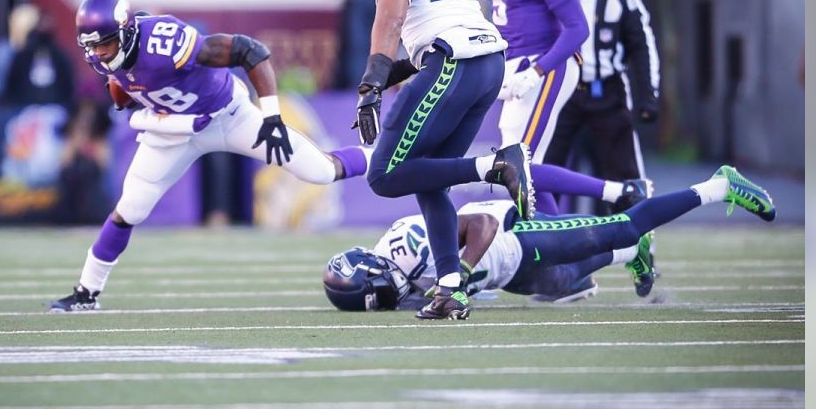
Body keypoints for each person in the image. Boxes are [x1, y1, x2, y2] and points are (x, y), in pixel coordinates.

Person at [47, 0, 373, 311]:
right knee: (130, 207)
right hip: (173, 130)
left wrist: (272, 115)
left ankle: (382, 156)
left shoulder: (165, 42)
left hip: (229, 116)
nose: (99, 54)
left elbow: (251, 50)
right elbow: (128, 83)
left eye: (105, 44)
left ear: (126, 32)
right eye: (91, 46)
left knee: (320, 171)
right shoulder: (109, 59)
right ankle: (86, 293)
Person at [352, 0, 535, 321]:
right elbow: (450, 11)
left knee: (385, 175)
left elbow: (392, 17)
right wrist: (396, 71)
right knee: (431, 179)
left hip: (452, 60)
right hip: (486, 60)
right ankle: (451, 287)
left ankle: (497, 165)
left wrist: (372, 81)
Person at [323, 166, 776, 315]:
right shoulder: (395, 278)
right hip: (506, 274)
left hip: (512, 238)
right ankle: (630, 254)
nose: (385, 302)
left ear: (376, 270)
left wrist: (456, 276)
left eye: (377, 296)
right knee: (564, 283)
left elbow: (479, 223)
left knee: (621, 225)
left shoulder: (405, 247)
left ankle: (720, 186)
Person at [475, 0, 590, 215]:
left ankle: (615, 196)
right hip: (516, 63)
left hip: (550, 62)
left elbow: (577, 28)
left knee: (521, 164)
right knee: (518, 166)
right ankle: (568, 262)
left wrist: (537, 72)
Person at [548, 0, 661, 211]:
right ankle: (539, 243)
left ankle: (639, 243)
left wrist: (649, 94)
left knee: (625, 174)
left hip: (606, 90)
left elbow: (641, 43)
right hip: (560, 92)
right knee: (544, 167)